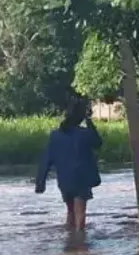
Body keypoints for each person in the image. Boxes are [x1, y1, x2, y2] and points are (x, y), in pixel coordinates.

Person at [35, 99, 103, 231]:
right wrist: (89, 121)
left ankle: (70, 241)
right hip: (81, 179)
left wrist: (40, 182)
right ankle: (79, 242)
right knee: (80, 213)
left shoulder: (55, 135)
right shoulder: (84, 134)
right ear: (81, 117)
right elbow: (98, 143)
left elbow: (46, 159)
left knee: (70, 211)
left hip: (65, 180)